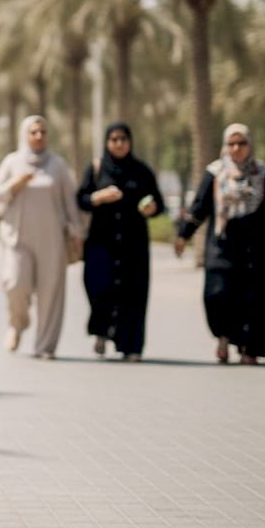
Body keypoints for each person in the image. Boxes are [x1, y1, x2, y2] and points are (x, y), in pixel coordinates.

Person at [174, 124, 265, 364]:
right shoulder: (215, 172)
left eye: (241, 143)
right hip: (221, 246)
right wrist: (183, 235)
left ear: (250, 145)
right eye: (231, 143)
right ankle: (223, 336)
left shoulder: (262, 173)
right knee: (217, 294)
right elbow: (199, 207)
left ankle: (249, 349)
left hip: (255, 249)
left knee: (254, 299)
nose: (236, 148)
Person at [0, 116, 84, 360]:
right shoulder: (12, 162)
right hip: (18, 237)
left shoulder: (58, 165)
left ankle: (45, 346)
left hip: (52, 238)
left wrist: (77, 233)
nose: (39, 136)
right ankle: (17, 324)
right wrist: (15, 184)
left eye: (43, 131)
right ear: (25, 135)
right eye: (33, 132)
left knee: (51, 291)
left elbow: (70, 203)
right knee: (15, 283)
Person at [76, 123, 164, 362]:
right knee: (98, 287)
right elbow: (81, 199)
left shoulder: (142, 171)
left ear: (130, 141)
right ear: (107, 142)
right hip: (100, 244)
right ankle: (101, 331)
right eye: (114, 139)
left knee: (133, 294)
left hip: (133, 245)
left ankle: (132, 345)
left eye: (123, 139)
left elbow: (159, 203)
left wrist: (151, 208)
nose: (119, 143)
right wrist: (98, 197)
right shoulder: (95, 169)